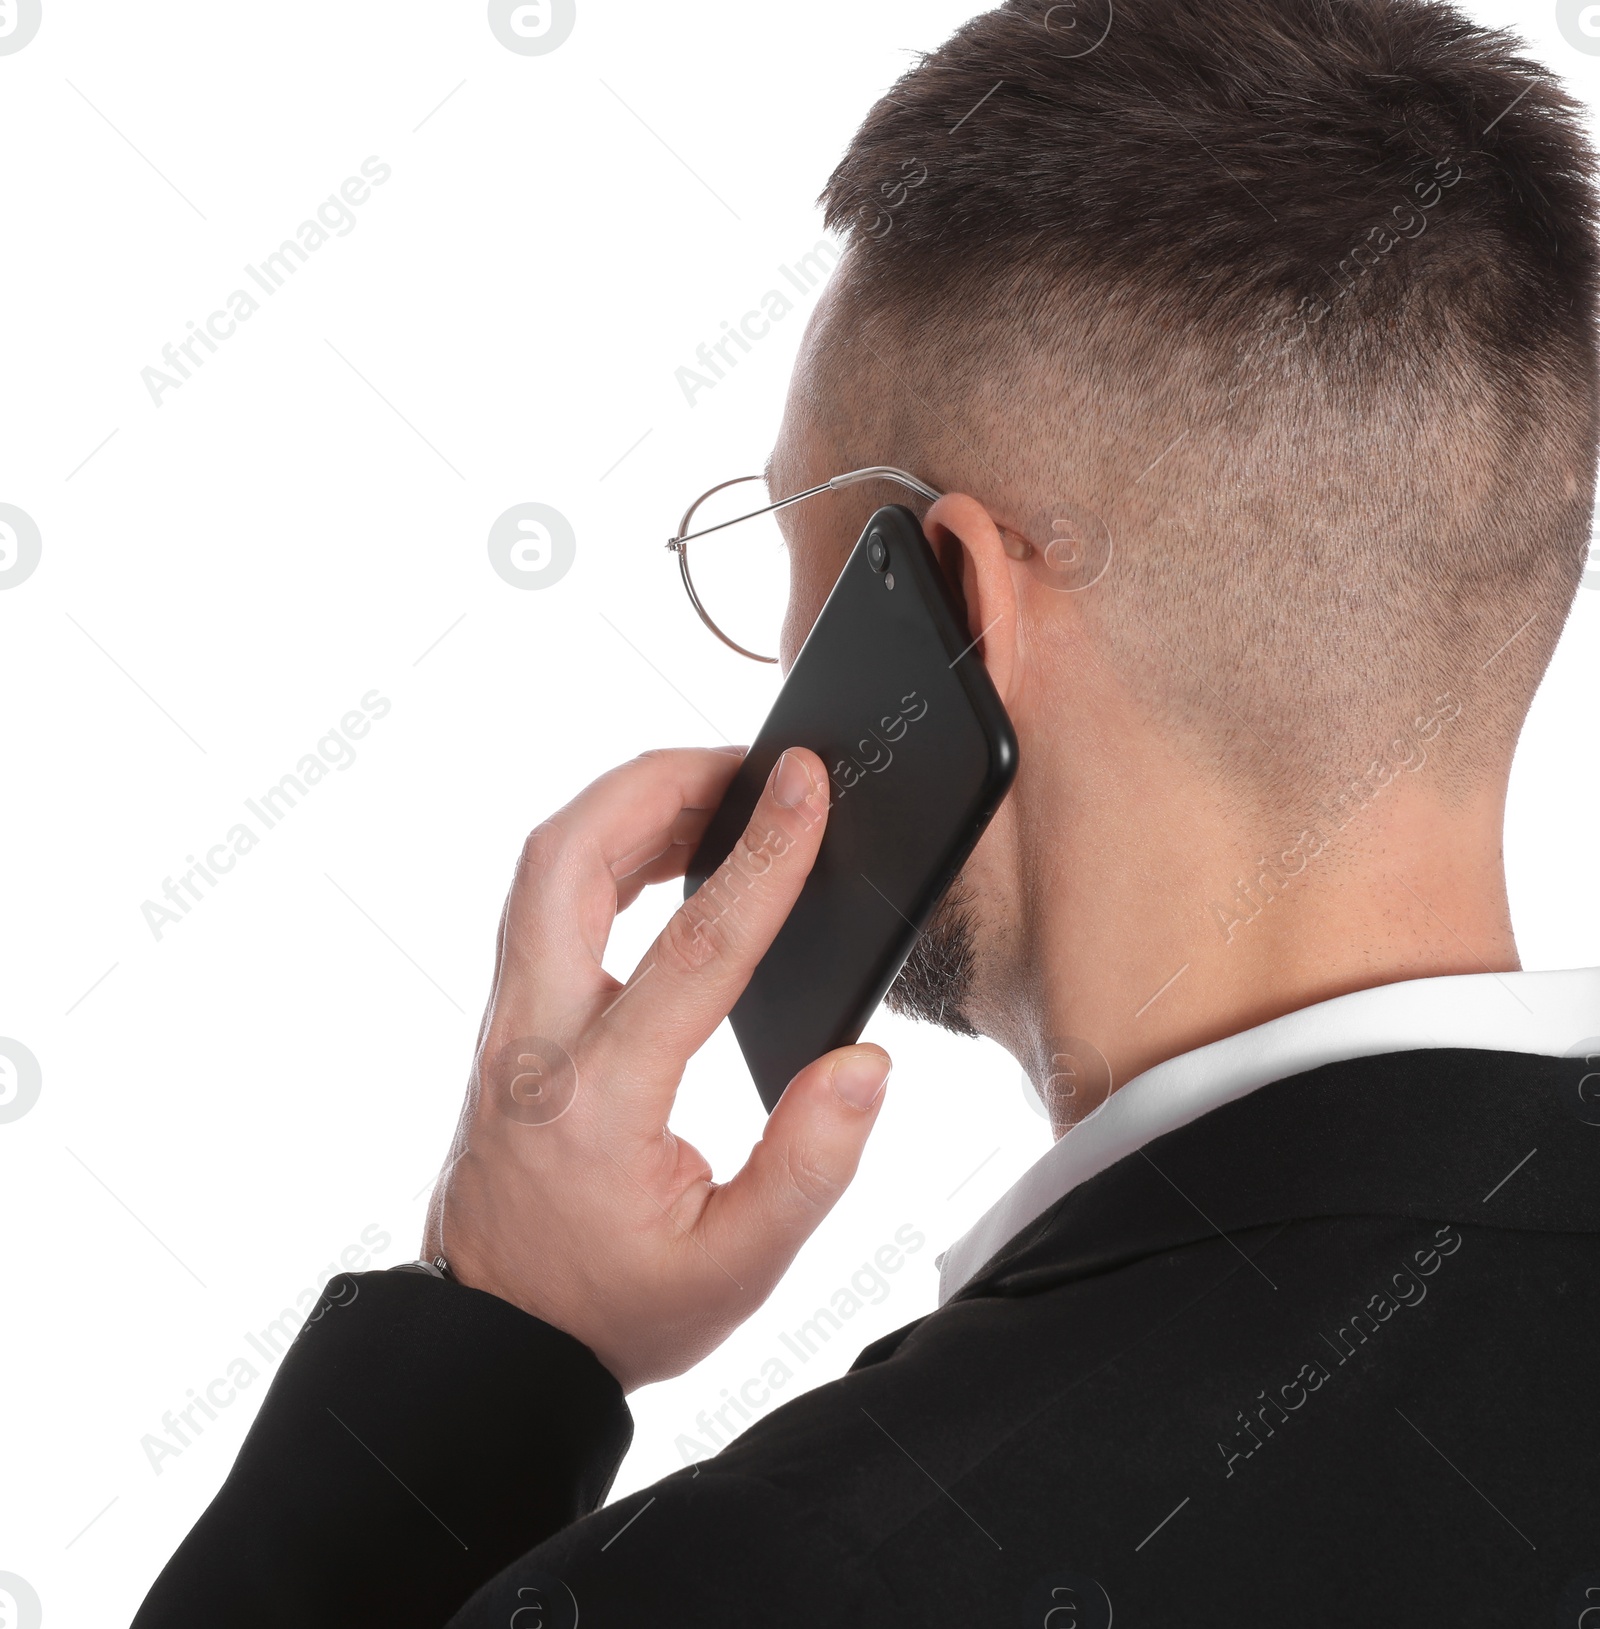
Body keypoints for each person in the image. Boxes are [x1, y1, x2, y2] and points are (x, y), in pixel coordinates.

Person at [132, 1, 1600, 1624]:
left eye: (791, 548)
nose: (776, 663)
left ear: (957, 607)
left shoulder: (784, 1576)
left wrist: (492, 1342)